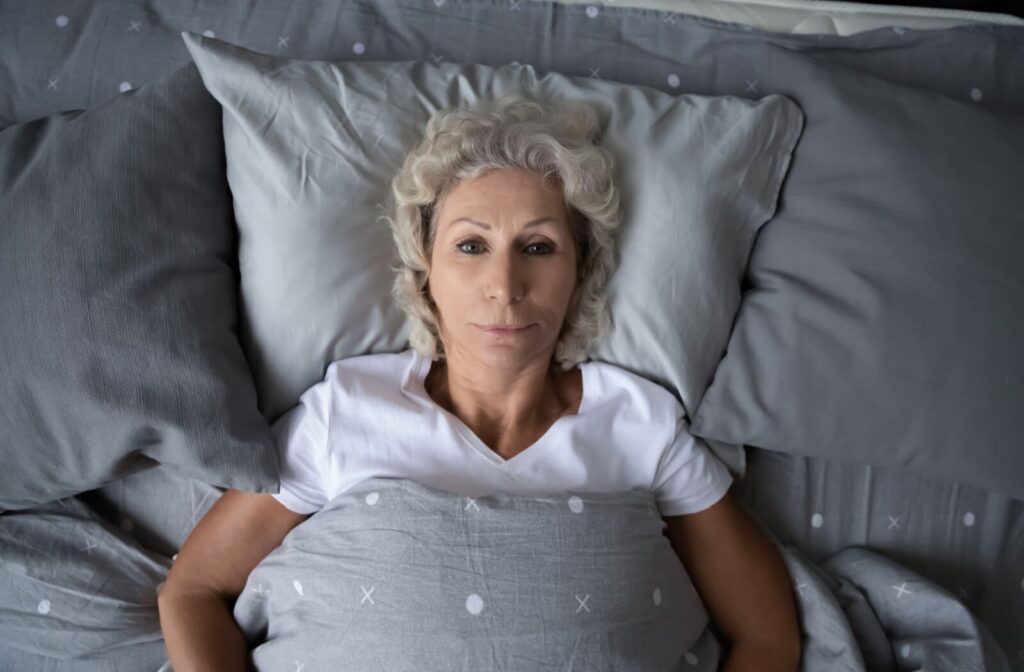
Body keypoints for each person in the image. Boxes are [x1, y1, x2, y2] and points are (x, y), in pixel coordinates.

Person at [158, 89, 801, 671]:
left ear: (581, 273)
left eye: (539, 247)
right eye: (470, 246)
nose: (504, 286)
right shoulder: (348, 410)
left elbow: (767, 633)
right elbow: (193, 590)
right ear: (425, 274)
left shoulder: (640, 424)